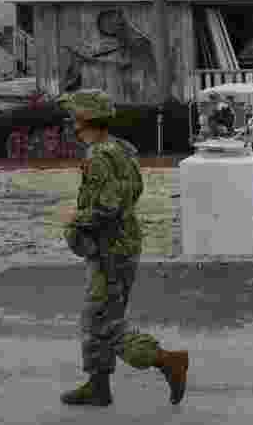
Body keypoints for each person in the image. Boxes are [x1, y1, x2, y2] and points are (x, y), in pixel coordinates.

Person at [56, 89, 190, 408]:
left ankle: (166, 360)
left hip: (110, 250)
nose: (72, 123)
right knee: (98, 316)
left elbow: (107, 209)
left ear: (85, 119)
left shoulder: (99, 157)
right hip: (122, 244)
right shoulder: (121, 148)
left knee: (104, 324)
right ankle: (98, 385)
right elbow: (135, 190)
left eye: (75, 117)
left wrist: (76, 217)